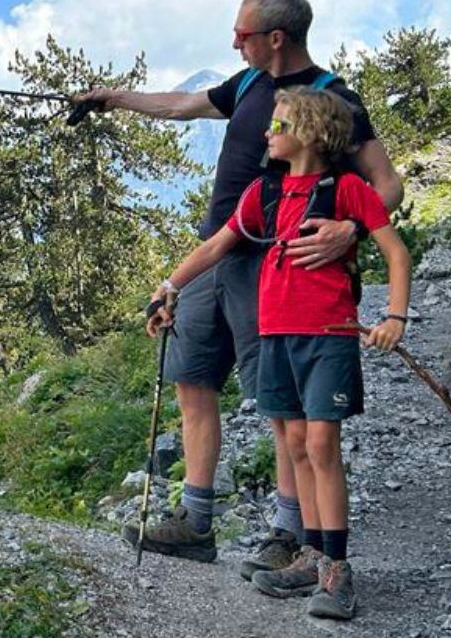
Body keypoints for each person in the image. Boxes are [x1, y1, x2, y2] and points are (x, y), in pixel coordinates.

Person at [75, 0, 403, 573]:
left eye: (243, 34)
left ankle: (287, 530)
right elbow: (180, 106)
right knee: (192, 378)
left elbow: (388, 184)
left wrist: (348, 228)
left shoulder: (332, 100)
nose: (234, 42)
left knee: (282, 404)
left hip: (280, 267)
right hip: (219, 248)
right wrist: (113, 99)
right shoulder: (247, 84)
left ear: (276, 38)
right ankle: (195, 522)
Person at [146, 86, 411, 620]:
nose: (268, 134)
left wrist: (394, 318)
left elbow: (395, 253)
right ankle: (311, 553)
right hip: (275, 335)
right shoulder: (263, 194)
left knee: (319, 443)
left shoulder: (348, 191)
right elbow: (216, 246)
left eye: (280, 125)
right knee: (293, 442)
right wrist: (168, 288)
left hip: (328, 333)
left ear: (311, 134)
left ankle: (337, 567)